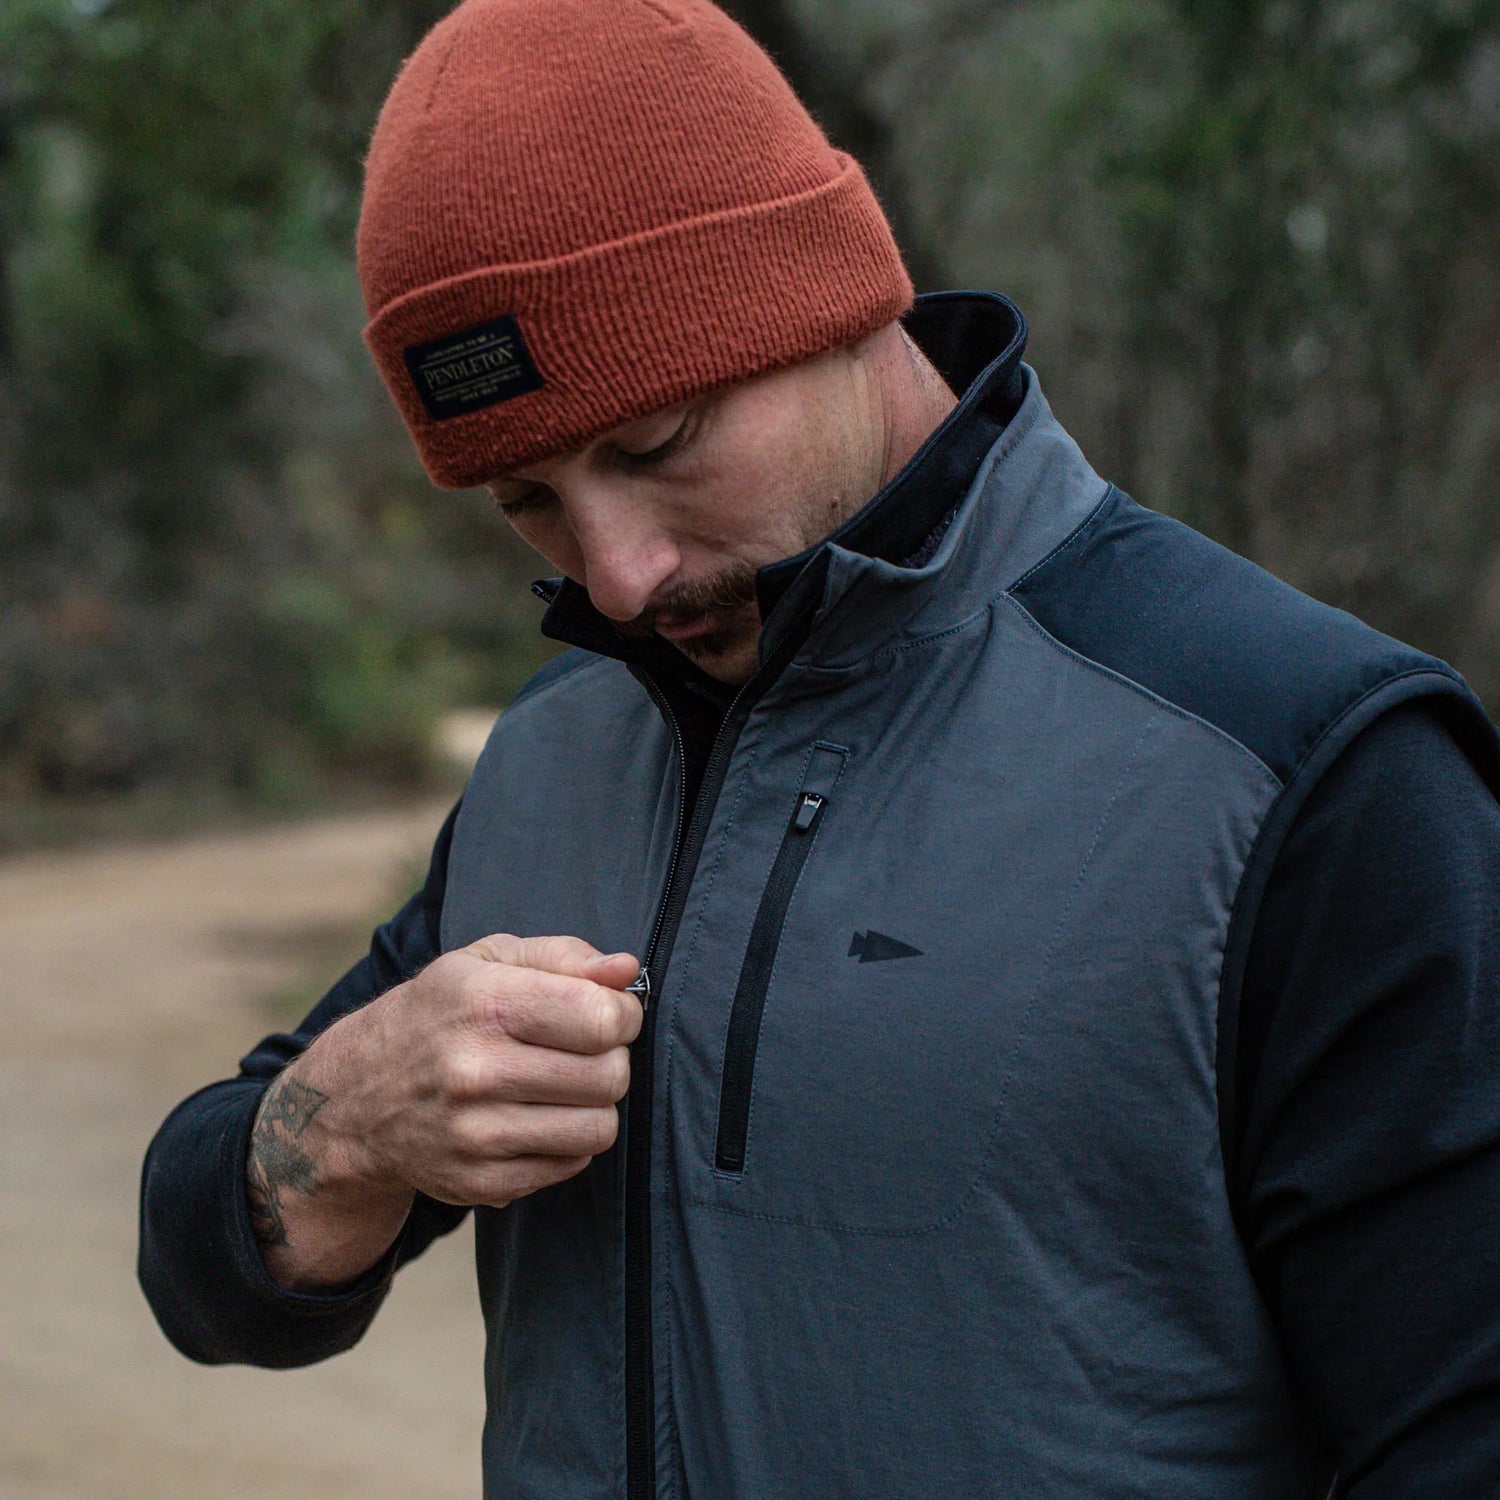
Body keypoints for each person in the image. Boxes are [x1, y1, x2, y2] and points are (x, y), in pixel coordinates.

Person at [138, 1, 1500, 1495]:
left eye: (656, 445)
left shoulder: (1301, 763)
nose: (618, 581)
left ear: (834, 297)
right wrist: (341, 1132)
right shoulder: (556, 756)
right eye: (527, 500)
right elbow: (201, 1265)